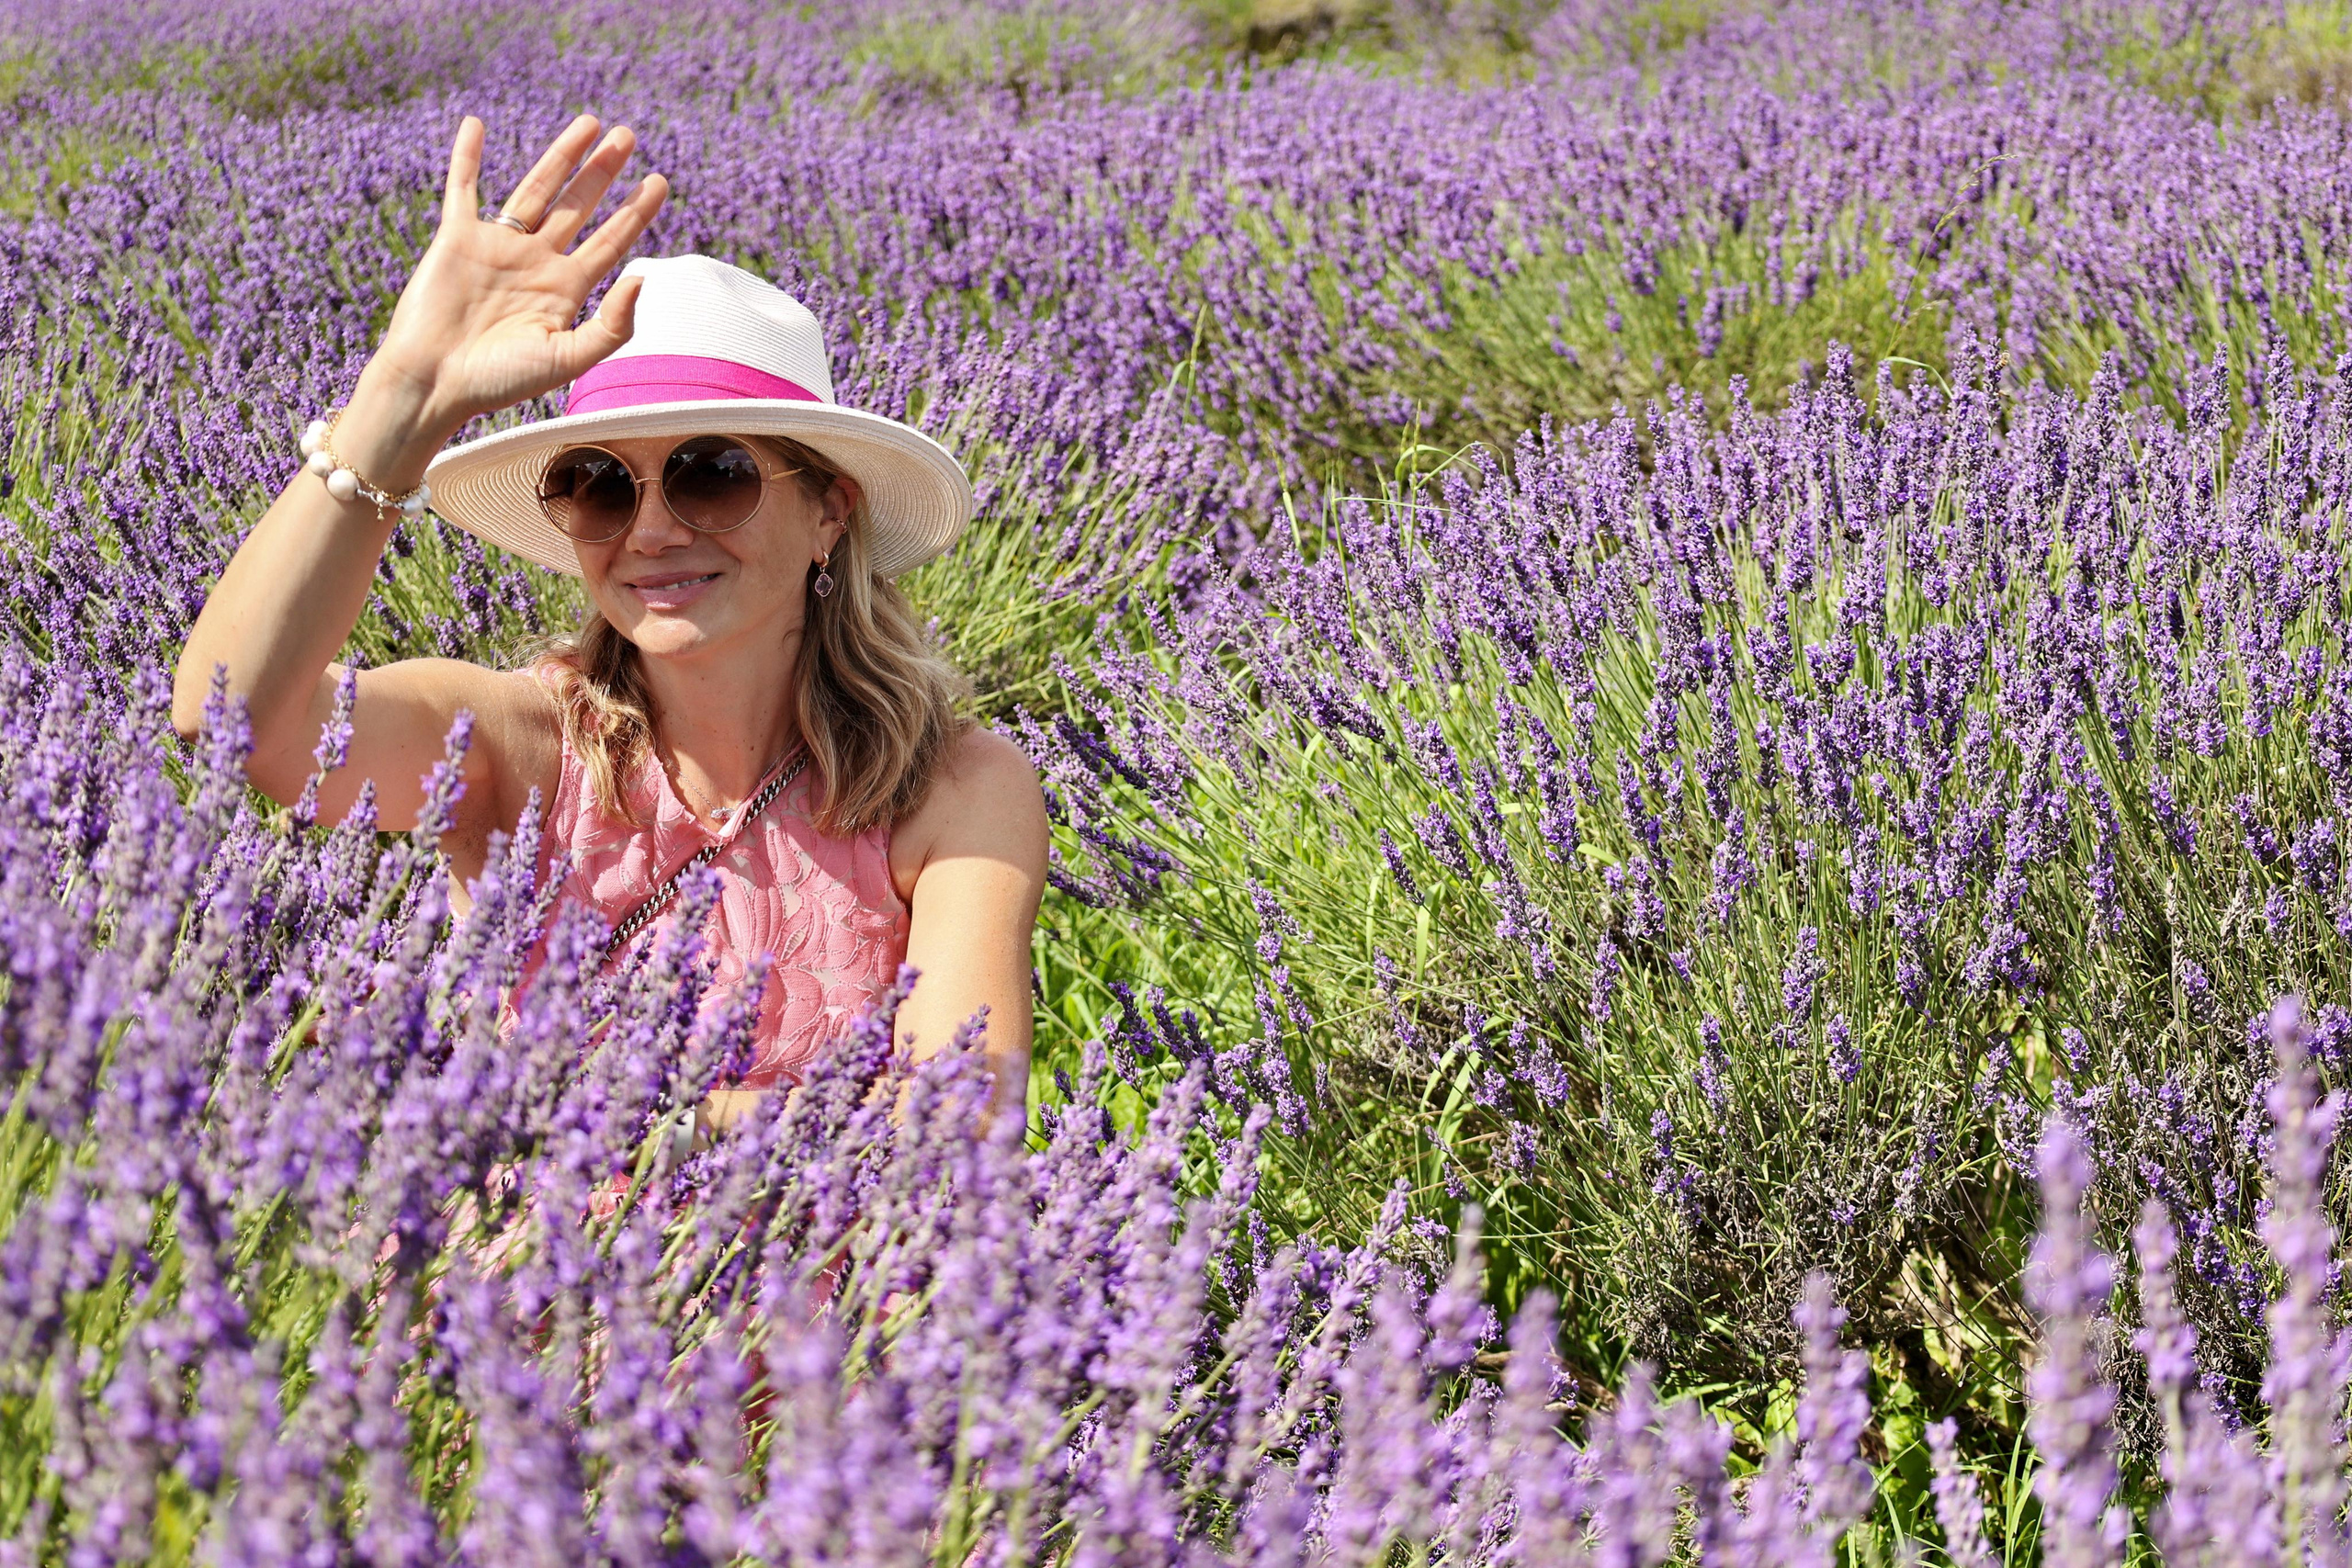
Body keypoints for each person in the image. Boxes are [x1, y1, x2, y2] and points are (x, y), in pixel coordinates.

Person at [171, 113, 1047, 1138]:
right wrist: (401, 397)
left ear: (829, 511)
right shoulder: (521, 748)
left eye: (711, 473)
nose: (652, 530)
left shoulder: (951, 790)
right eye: (596, 487)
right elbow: (232, 722)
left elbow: (958, 1121)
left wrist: (580, 1110)